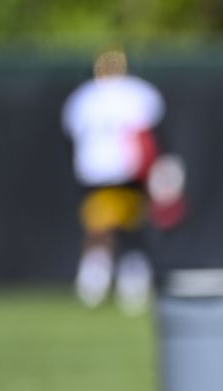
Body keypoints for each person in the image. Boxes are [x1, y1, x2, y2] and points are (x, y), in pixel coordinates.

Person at [62, 48, 180, 314]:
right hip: (123, 171)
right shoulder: (136, 93)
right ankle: (108, 283)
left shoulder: (84, 97)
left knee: (112, 231)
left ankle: (106, 284)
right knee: (118, 230)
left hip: (105, 172)